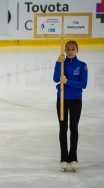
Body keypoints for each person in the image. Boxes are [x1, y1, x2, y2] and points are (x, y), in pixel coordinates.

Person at [53, 40, 88, 171]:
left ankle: (73, 157)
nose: (70, 51)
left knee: (73, 127)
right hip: (61, 99)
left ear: (77, 50)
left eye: (73, 49)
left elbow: (83, 84)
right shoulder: (62, 63)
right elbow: (56, 79)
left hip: (76, 100)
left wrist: (68, 81)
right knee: (63, 128)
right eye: (67, 49)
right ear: (64, 50)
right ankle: (63, 158)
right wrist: (57, 62)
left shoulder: (82, 65)